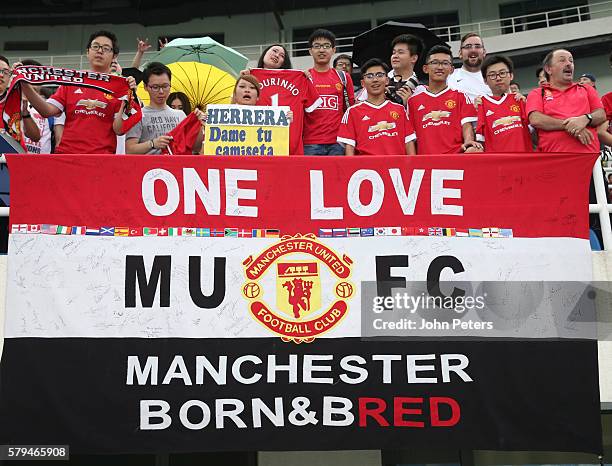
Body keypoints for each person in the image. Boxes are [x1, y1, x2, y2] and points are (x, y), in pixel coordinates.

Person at [20, 30, 138, 154]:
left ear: (114, 56)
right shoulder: (71, 83)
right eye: (95, 46)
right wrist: (24, 84)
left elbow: (119, 129)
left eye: (106, 48)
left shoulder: (119, 88)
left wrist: (128, 98)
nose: (100, 51)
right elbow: (47, 111)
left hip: (101, 160)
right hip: (68, 157)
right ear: (88, 52)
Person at [526, 49, 605, 153]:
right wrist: (574, 125)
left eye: (571, 61)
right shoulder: (537, 93)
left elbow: (601, 114)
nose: (569, 64)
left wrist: (585, 118)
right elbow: (536, 119)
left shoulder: (586, 89)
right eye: (562, 60)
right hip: (553, 160)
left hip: (589, 159)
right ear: (549, 69)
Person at [406, 45, 481, 154]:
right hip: (426, 160)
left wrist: (469, 141)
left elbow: (466, 125)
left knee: (476, 150)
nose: (440, 67)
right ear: (425, 68)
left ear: (451, 70)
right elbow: (410, 137)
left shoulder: (460, 96)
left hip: (455, 155)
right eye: (435, 62)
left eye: (445, 63)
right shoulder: (413, 101)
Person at [249, 44, 321, 155]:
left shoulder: (299, 79)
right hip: (257, 145)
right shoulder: (250, 77)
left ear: (284, 62)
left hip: (288, 147)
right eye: (274, 51)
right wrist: (244, 80)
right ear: (265, 52)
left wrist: (304, 78)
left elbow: (314, 112)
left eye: (282, 55)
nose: (277, 55)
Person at [337, 58, 415, 156]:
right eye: (369, 76)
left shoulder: (400, 109)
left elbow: (409, 143)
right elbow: (349, 148)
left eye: (379, 75)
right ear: (363, 83)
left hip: (396, 169)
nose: (375, 80)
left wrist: (411, 166)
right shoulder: (353, 112)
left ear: (387, 80)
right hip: (366, 169)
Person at [126, 62, 203, 154]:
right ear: (146, 87)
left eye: (165, 86)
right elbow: (129, 150)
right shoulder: (139, 115)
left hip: (176, 166)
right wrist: (152, 144)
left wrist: (198, 124)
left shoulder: (180, 115)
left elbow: (196, 147)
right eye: (155, 87)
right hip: (150, 167)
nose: (161, 91)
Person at [303, 29, 355, 155]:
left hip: (338, 142)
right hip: (310, 143)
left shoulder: (343, 77)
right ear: (310, 51)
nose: (322, 50)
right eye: (317, 46)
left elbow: (350, 110)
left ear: (333, 50)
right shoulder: (304, 77)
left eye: (326, 46)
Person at [476, 55, 532, 153]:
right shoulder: (481, 104)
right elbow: (480, 142)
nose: (498, 78)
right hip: (498, 165)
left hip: (525, 162)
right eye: (492, 75)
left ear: (511, 75)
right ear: (485, 80)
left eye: (502, 73)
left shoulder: (521, 101)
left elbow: (536, 135)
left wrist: (528, 107)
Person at [357, 34, 424, 106]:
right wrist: (377, 98)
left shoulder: (420, 89)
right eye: (394, 52)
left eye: (400, 52)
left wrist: (409, 104)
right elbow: (359, 108)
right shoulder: (377, 81)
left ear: (414, 58)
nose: (395, 56)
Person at [0, 56, 40, 148]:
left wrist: (25, 113)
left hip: (14, 157)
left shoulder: (16, 97)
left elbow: (35, 137)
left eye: (5, 72)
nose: (1, 75)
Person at [447, 32, 491, 102]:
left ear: (484, 52)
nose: (473, 50)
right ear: (460, 53)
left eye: (477, 46)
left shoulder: (494, 77)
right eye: (468, 47)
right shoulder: (449, 77)